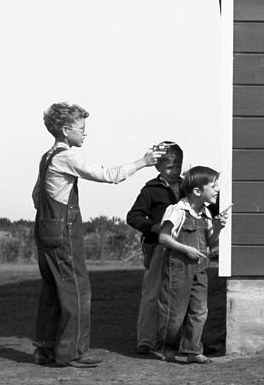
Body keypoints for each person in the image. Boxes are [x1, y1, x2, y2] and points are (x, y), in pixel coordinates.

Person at [32, 102, 163, 367]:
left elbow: (37, 196)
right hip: (63, 232)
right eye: (81, 128)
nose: (85, 133)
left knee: (52, 291)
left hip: (44, 229)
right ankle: (72, 352)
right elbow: (107, 175)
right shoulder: (67, 157)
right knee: (77, 291)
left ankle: (45, 348)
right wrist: (143, 162)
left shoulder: (47, 157)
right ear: (66, 130)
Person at [154, 166, 227, 364]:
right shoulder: (177, 211)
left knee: (200, 311)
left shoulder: (206, 214)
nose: (217, 190)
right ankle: (165, 348)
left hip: (200, 269)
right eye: (213, 186)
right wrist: (185, 249)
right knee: (174, 312)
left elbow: (210, 244)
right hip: (178, 267)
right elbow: (163, 237)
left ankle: (192, 349)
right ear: (197, 191)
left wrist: (218, 229)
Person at [126, 142, 184, 355]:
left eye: (178, 166)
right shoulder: (150, 190)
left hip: (182, 246)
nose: (175, 171)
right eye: (170, 167)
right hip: (156, 246)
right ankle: (146, 340)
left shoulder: (187, 187)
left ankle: (176, 339)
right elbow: (133, 216)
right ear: (158, 167)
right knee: (152, 292)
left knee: (179, 293)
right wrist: (154, 227)